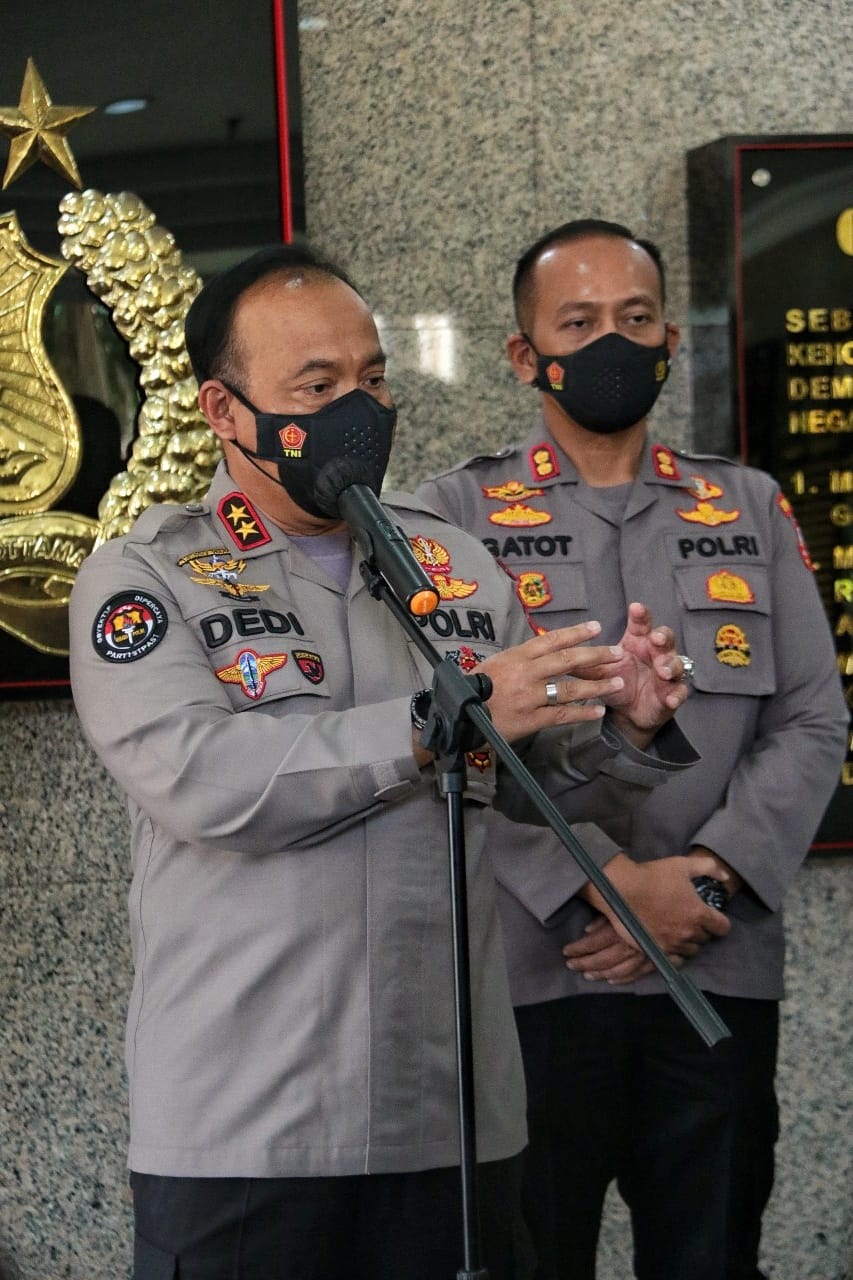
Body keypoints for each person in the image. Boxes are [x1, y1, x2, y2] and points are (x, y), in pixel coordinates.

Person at [68, 243, 698, 1280]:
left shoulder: (454, 563)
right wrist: (431, 722)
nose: (356, 409)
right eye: (316, 388)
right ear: (224, 410)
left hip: (448, 1114)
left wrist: (623, 724)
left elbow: (531, 786)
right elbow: (202, 779)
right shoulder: (147, 578)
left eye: (371, 379)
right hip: (247, 1123)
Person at [417, 219, 848, 1280]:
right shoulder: (449, 517)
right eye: (578, 323)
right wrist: (603, 884)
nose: (611, 341)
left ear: (668, 340)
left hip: (715, 957)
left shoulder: (747, 504)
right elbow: (445, 747)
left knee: (711, 1254)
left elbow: (811, 719)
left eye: (635, 317)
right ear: (524, 354)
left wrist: (701, 878)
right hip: (535, 972)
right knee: (532, 1255)